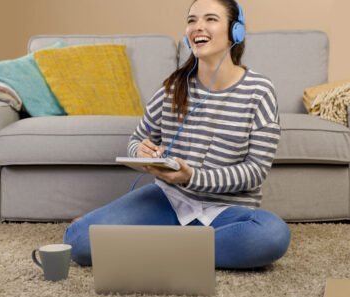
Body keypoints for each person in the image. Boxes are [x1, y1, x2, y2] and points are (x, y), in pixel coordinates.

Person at [63, 0, 291, 268]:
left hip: (228, 210)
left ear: (235, 31)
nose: (198, 27)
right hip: (168, 200)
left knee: (272, 234)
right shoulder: (172, 87)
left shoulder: (259, 91)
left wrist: (193, 177)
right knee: (77, 241)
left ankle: (157, 248)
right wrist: (142, 151)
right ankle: (187, 250)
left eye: (210, 19)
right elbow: (137, 140)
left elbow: (255, 171)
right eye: (192, 20)